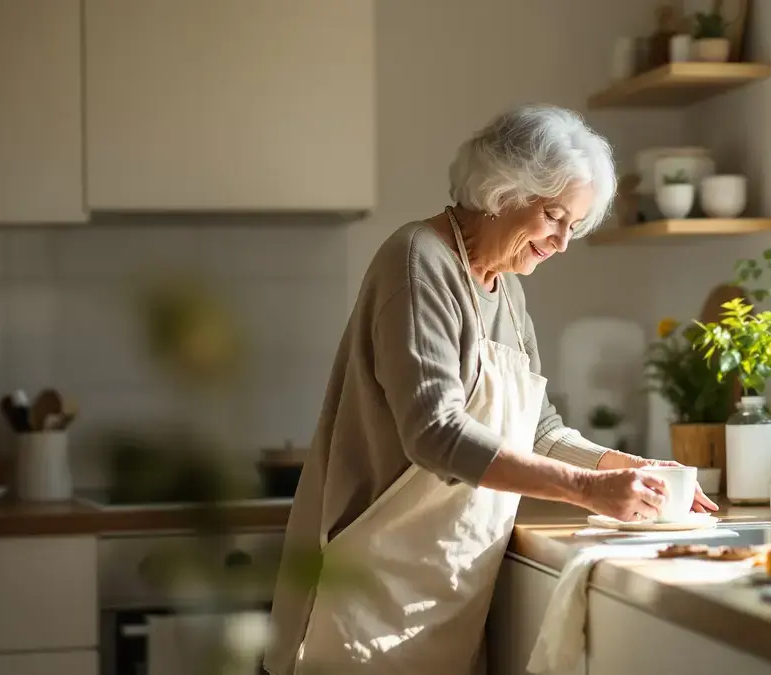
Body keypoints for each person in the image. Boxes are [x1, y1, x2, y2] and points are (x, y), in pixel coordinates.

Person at [265, 104, 717, 675]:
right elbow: (435, 434)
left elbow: (542, 431)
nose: (561, 242)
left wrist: (625, 468)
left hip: (446, 594)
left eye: (573, 226)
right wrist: (586, 489)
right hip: (372, 594)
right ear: (505, 190)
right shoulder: (417, 261)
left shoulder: (505, 288)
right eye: (554, 216)